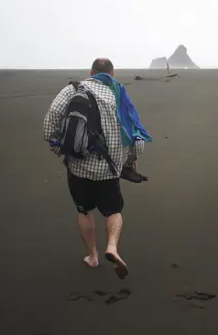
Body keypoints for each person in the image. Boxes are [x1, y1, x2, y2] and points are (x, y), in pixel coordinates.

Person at [43, 58, 149, 279]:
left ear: (90, 72)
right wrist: (130, 161)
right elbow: (135, 137)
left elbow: (50, 123)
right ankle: (112, 247)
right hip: (109, 170)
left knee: (84, 211)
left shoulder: (72, 90)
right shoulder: (118, 96)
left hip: (78, 168)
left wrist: (61, 151)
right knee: (113, 211)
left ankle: (92, 256)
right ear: (113, 74)